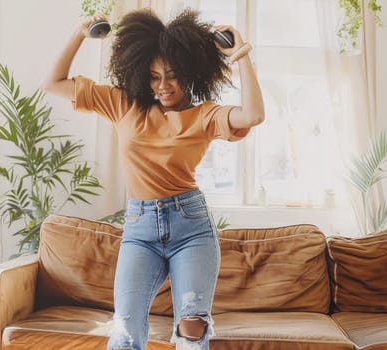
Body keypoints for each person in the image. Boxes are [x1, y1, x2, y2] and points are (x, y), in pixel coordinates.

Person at [43, 7, 264, 350]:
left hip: (190, 228)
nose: (163, 86)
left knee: (192, 326)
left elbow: (253, 114)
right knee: (126, 330)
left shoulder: (204, 115)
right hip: (139, 230)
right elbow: (53, 84)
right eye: (154, 76)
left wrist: (240, 53)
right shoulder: (124, 105)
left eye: (172, 75)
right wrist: (79, 34)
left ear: (189, 73)